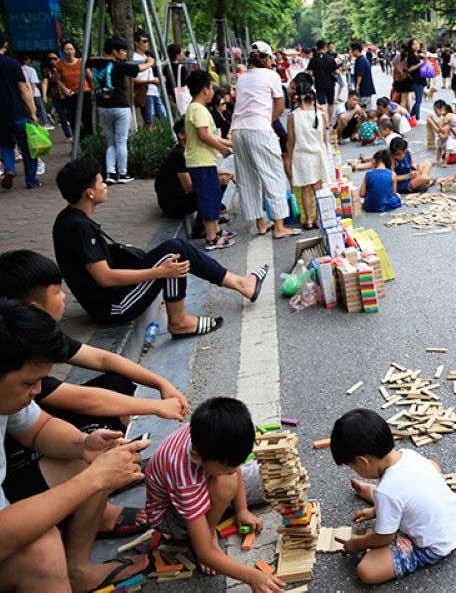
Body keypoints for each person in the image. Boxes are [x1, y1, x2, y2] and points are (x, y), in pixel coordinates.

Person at [0, 299, 152, 591]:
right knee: (41, 553)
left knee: (95, 460)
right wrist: (93, 480)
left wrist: (83, 444)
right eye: (28, 383)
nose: (37, 391)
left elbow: (38, 428)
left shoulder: (9, 392)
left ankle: (78, 571)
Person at [52, 158, 270, 335]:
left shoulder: (69, 218)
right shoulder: (79, 227)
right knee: (174, 255)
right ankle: (180, 321)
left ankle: (241, 284)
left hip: (110, 298)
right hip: (115, 306)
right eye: (101, 183)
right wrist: (159, 272)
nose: (105, 186)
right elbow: (105, 278)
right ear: (89, 193)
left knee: (175, 248)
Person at [145, 398, 284, 592]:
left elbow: (233, 470)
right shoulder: (185, 477)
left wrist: (242, 510)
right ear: (197, 456)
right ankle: (209, 534)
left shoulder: (211, 436)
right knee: (226, 483)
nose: (235, 469)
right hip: (169, 516)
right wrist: (251, 576)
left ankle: (216, 512)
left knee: (268, 481)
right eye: (227, 466)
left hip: (201, 482)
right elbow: (204, 553)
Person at [330, 408, 456, 584]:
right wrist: (376, 510)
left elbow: (384, 537)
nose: (353, 470)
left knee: (367, 571)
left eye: (352, 466)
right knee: (424, 472)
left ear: (363, 461)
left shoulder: (387, 492)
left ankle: (377, 500)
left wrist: (358, 543)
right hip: (453, 520)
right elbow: (424, 477)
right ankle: (376, 499)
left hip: (434, 545)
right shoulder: (408, 454)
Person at [231, 41, 300, 238]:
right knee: (274, 175)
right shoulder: (272, 76)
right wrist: (267, 122)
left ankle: (261, 223)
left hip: (238, 131)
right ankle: (279, 226)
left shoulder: (242, 78)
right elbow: (279, 106)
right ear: (267, 57)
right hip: (259, 129)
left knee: (247, 178)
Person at [86, 36, 155, 184]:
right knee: (121, 141)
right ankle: (122, 174)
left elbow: (89, 67)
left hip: (102, 106)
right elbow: (138, 69)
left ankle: (110, 173)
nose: (125, 54)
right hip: (120, 106)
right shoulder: (118, 66)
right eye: (122, 50)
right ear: (114, 51)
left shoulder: (93, 62)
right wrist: (150, 62)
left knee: (111, 142)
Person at [185, 70, 235, 250]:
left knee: (213, 195)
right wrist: (222, 148)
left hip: (206, 161)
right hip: (200, 162)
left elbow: (211, 135)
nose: (213, 92)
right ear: (205, 90)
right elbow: (204, 135)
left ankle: (216, 231)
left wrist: (229, 144)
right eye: (211, 88)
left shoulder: (199, 108)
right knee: (208, 198)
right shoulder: (197, 109)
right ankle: (212, 238)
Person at [287, 72, 329, 230]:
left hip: (301, 156)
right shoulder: (321, 115)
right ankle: (318, 218)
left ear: (297, 98)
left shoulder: (293, 116)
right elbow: (324, 139)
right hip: (318, 155)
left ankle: (309, 220)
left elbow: (291, 142)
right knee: (317, 189)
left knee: (305, 188)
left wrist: (289, 160)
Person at [0, 34, 39, 190]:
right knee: (27, 146)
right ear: (4, 44)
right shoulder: (12, 63)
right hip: (16, 111)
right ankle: (31, 180)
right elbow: (23, 89)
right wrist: (33, 112)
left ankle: (9, 169)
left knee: (4, 144)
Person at [155, 119, 198, 219]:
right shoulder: (180, 154)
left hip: (177, 198)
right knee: (210, 188)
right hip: (173, 205)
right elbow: (189, 187)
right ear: (181, 135)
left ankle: (210, 218)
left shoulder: (187, 151)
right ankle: (203, 225)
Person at [54, 38, 94, 140]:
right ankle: (80, 142)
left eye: (71, 49)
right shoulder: (60, 64)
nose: (69, 52)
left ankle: (90, 142)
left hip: (85, 93)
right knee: (73, 120)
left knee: (87, 120)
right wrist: (64, 89)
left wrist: (94, 90)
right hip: (71, 95)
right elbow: (58, 80)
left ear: (75, 50)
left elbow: (90, 78)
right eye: (66, 49)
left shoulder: (82, 62)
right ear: (63, 51)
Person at [132, 31, 166, 129]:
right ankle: (147, 140)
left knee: (163, 118)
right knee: (148, 120)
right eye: (144, 41)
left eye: (147, 41)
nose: (147, 44)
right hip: (145, 93)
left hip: (154, 92)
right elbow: (133, 79)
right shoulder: (134, 58)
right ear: (136, 43)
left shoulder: (146, 57)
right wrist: (151, 81)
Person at [361, 149, 401, 213]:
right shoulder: (393, 174)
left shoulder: (368, 174)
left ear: (374, 161)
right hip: (387, 205)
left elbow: (361, 194)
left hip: (370, 206)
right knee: (398, 196)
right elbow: (393, 193)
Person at [308, 40, 337, 122]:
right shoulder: (331, 59)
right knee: (330, 103)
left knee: (322, 104)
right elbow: (336, 71)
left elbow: (310, 72)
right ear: (325, 47)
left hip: (319, 84)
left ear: (317, 48)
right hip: (330, 84)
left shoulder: (313, 59)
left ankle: (324, 121)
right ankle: (330, 120)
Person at [19, 54, 49, 128]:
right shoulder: (31, 70)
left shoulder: (18, 69)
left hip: (23, 93)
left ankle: (32, 123)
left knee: (28, 109)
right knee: (40, 107)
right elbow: (33, 83)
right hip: (35, 93)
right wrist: (31, 94)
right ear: (25, 61)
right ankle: (45, 122)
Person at [351, 41, 376, 108]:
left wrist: (357, 87)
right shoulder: (362, 59)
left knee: (364, 109)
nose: (351, 52)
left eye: (352, 50)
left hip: (364, 89)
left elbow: (360, 75)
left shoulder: (360, 60)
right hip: (366, 88)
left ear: (356, 50)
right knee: (365, 107)